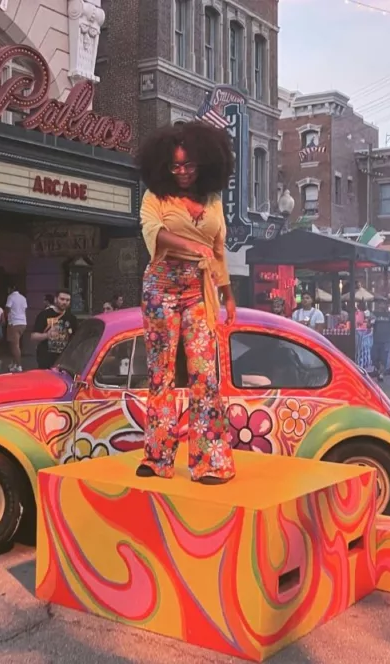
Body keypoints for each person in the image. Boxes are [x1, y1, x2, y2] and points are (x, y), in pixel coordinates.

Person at [135, 121, 237, 484]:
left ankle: (209, 461)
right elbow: (153, 233)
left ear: (204, 163)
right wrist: (193, 247)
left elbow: (220, 248)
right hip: (161, 289)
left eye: (189, 165)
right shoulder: (155, 198)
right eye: (175, 166)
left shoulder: (212, 200)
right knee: (160, 375)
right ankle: (157, 457)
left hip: (199, 291)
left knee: (205, 376)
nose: (181, 172)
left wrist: (227, 295)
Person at [31, 290, 78, 370]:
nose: (64, 302)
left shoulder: (72, 318)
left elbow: (75, 338)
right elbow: (33, 336)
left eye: (67, 300)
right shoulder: (44, 315)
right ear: (56, 299)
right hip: (46, 358)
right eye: (62, 299)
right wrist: (47, 335)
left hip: (64, 360)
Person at [369, 298, 390, 381]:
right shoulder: (374, 314)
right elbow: (369, 325)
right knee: (374, 358)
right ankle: (378, 370)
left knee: (384, 358)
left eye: (384, 304)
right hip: (376, 339)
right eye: (380, 304)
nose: (382, 305)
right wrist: (370, 323)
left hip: (386, 340)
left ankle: (381, 374)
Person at [4, 284, 28, 373]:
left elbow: (7, 309)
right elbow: (24, 310)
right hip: (23, 323)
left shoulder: (10, 297)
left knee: (15, 345)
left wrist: (5, 318)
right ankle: (14, 363)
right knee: (13, 344)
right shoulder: (23, 298)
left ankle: (18, 366)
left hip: (14, 323)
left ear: (12, 288)